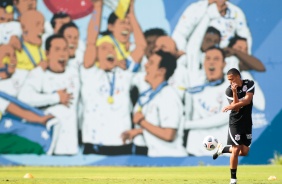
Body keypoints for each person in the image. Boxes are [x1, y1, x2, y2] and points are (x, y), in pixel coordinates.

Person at [18, 34, 80, 155]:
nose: (62, 54)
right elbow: (23, 98)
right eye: (57, 49)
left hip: (70, 147)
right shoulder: (39, 74)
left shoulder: (75, 73)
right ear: (47, 54)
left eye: (65, 49)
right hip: (47, 147)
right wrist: (55, 97)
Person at [122, 50, 187, 157]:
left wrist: (142, 122)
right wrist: (138, 131)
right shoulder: (154, 95)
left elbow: (169, 134)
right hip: (157, 157)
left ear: (161, 71)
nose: (146, 65)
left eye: (151, 63)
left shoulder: (168, 96)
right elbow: (159, 126)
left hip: (171, 160)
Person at [184, 46, 229, 156]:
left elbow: (223, 117)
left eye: (216, 59)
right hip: (195, 149)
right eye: (207, 59)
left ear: (224, 64)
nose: (211, 63)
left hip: (220, 149)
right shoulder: (195, 84)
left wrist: (187, 124)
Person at [213, 68, 255, 184]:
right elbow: (236, 108)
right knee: (236, 150)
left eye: (231, 79)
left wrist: (230, 106)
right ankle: (233, 179)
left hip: (246, 122)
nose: (230, 82)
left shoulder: (249, 84)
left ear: (238, 76)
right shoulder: (229, 91)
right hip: (235, 122)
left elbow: (247, 101)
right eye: (228, 80)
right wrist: (235, 92)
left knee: (245, 151)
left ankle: (223, 149)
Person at [172, 0, 252, 53]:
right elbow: (179, 35)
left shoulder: (236, 13)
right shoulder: (195, 9)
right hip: (194, 61)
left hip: (226, 66)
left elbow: (245, 42)